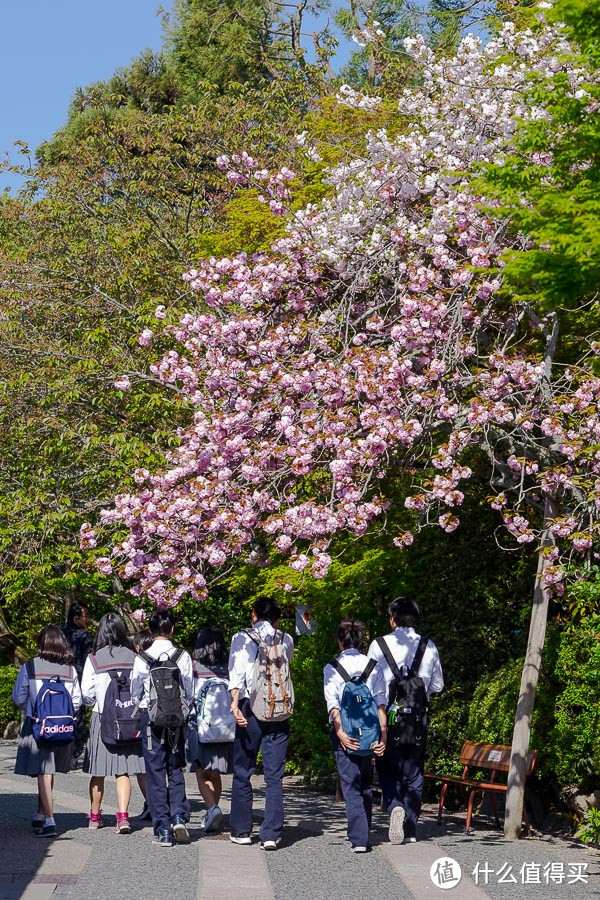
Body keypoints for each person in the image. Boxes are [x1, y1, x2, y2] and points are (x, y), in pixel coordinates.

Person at [367, 596, 444, 845]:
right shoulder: (428, 645)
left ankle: (394, 806)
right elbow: (438, 685)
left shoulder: (379, 645)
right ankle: (410, 829)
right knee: (414, 773)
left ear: (392, 619)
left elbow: (370, 685)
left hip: (387, 719)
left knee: (387, 770)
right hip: (418, 720)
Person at [228, 597, 294, 851]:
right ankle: (271, 834)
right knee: (274, 775)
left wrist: (234, 705)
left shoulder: (241, 638)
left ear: (253, 614)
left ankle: (242, 830)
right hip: (278, 708)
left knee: (243, 771)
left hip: (250, 708)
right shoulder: (285, 639)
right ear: (277, 618)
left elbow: (236, 674)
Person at [131, 609, 194, 848]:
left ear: (150, 630)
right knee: (175, 767)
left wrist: (141, 705)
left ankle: (163, 829)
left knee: (155, 772)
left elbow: (135, 688)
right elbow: (189, 688)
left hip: (151, 718)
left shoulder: (143, 658)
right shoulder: (182, 656)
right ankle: (179, 815)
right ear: (172, 629)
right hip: (177, 719)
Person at [12, 624, 83, 837]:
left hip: (37, 724)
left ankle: (50, 821)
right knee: (48, 771)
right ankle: (40, 814)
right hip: (63, 725)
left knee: (43, 771)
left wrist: (34, 709)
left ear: (42, 644)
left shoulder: (30, 667)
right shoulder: (70, 670)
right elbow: (77, 700)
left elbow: (18, 698)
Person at [323, 619, 387, 852]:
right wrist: (383, 737)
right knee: (365, 782)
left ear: (340, 641)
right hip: (371, 732)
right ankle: (364, 831)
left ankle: (359, 839)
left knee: (350, 785)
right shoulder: (373, 665)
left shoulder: (332, 667)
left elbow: (333, 705)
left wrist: (339, 732)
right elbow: (381, 703)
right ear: (361, 642)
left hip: (346, 733)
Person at [81, 613, 145, 833]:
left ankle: (95, 817)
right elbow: (140, 687)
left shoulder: (94, 658)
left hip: (103, 718)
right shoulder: (134, 656)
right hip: (129, 718)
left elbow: (86, 694)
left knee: (98, 771)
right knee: (123, 770)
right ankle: (124, 818)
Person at [188, 627, 234, 832]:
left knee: (201, 772)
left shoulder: (193, 667)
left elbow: (188, 695)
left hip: (200, 727)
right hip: (225, 728)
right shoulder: (228, 667)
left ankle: (212, 808)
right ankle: (212, 813)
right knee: (216, 773)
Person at [61, 603, 93, 761]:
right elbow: (90, 659)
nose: (87, 618)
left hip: (58, 678)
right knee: (78, 715)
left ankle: (59, 750)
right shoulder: (84, 636)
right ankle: (74, 753)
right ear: (76, 618)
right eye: (85, 615)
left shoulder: (58, 632)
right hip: (78, 678)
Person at [132, 628, 153, 821]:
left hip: (147, 713)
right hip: (171, 715)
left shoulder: (140, 660)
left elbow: (135, 691)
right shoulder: (171, 657)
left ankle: (152, 803)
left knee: (145, 763)